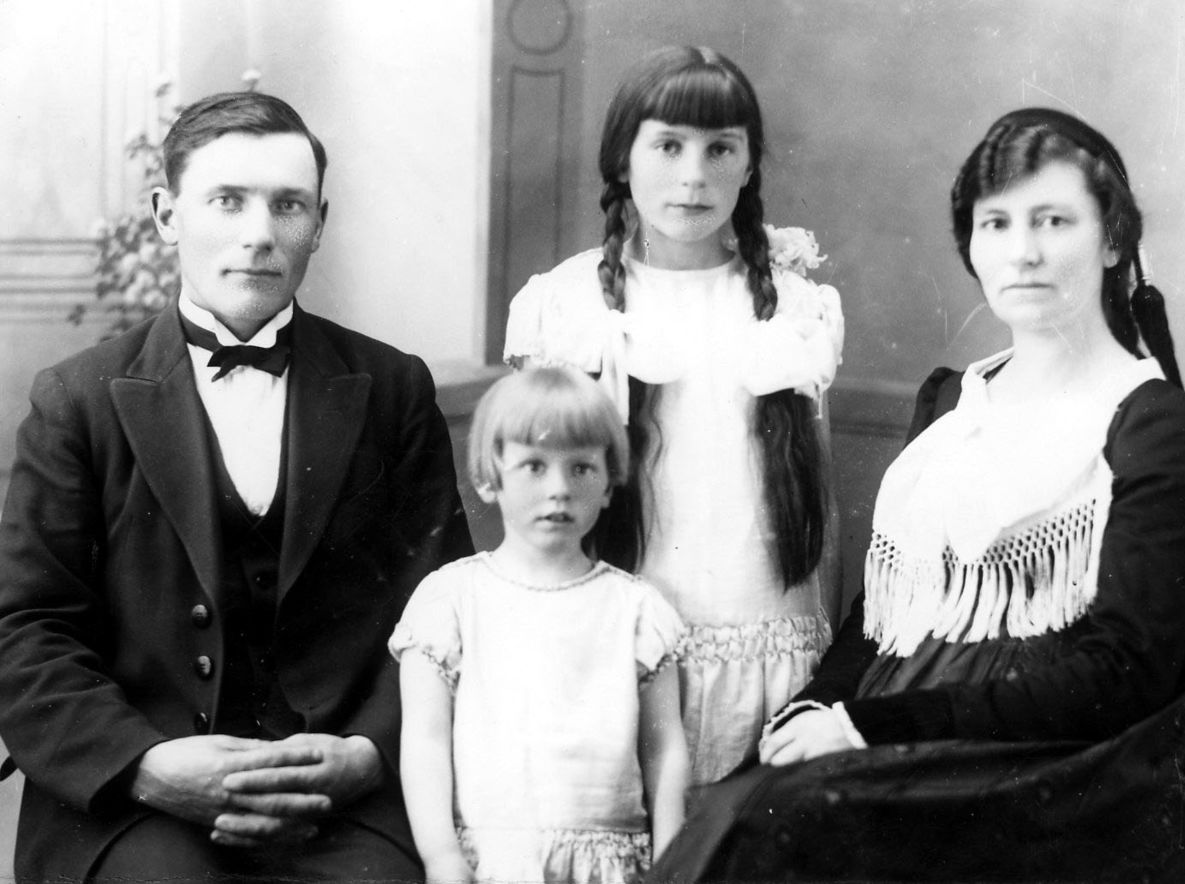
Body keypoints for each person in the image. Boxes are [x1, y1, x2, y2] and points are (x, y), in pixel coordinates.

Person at [652, 109, 1185, 882]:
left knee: (777, 829)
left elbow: (1122, 675)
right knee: (736, 810)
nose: (1022, 251)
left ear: (1114, 240)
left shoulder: (1158, 426)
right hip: (898, 733)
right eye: (996, 223)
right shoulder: (953, 401)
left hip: (1049, 769)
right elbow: (882, 616)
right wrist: (817, 707)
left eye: (1054, 220)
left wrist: (869, 726)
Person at [0, 91, 473, 882]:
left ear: (319, 223)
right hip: (138, 797)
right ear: (167, 215)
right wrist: (146, 764)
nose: (259, 234)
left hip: (344, 795)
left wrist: (369, 751)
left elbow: (446, 609)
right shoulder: (77, 399)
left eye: (288, 205)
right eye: (227, 200)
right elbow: (26, 627)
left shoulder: (392, 389)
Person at [503, 46, 845, 786]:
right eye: (668, 146)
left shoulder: (793, 307)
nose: (693, 176)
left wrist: (827, 678)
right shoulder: (567, 305)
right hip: (613, 651)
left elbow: (820, 502)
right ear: (622, 160)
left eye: (720, 149)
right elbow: (534, 509)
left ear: (749, 166)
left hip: (769, 643)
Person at [391, 366, 688, 884]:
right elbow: (425, 742)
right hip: (491, 862)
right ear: (490, 478)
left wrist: (671, 864)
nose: (559, 489)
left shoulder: (638, 610)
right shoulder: (451, 601)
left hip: (609, 867)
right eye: (533, 465)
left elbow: (665, 752)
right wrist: (440, 856)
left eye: (581, 468)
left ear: (609, 483)